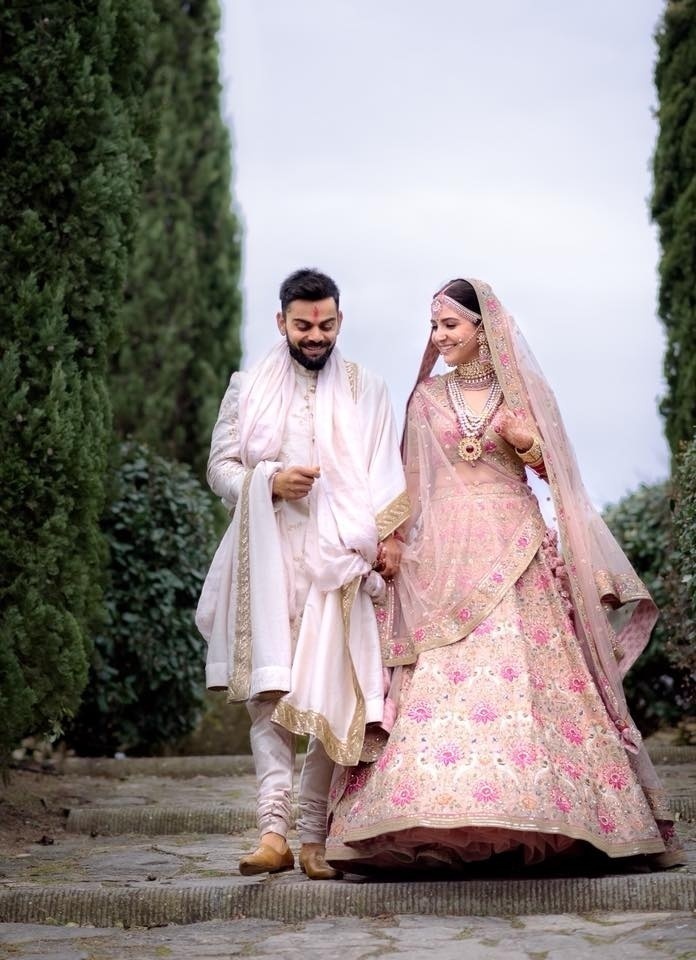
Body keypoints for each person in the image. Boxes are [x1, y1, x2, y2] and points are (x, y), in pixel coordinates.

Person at [325, 277, 683, 872]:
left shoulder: (522, 397)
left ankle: (552, 813)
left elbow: (559, 475)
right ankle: (426, 812)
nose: (438, 338)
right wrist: (392, 544)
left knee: (530, 675)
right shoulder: (424, 401)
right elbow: (408, 483)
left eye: (450, 326)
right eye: (434, 327)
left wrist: (529, 446)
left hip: (517, 550)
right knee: (437, 679)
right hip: (441, 557)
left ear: (482, 329)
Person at [196, 268, 408, 880]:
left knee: (328, 691)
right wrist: (268, 483)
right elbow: (221, 467)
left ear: (340, 320)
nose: (316, 336)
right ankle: (272, 832)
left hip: (337, 559)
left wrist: (387, 537)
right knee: (270, 691)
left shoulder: (368, 388)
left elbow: (384, 469)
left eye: (327, 324)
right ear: (280, 322)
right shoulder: (247, 385)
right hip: (266, 553)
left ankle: (313, 835)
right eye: (303, 325)